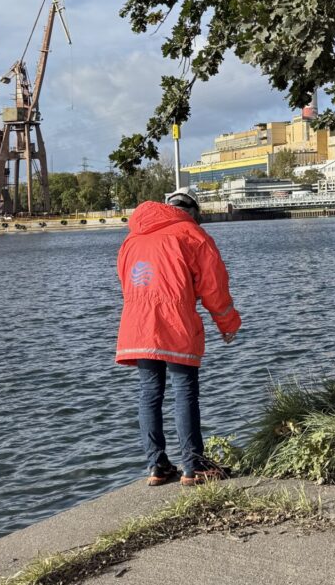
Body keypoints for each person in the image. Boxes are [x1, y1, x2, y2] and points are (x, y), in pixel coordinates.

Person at [115, 187, 242, 487]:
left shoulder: (132, 238)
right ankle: (194, 465)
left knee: (149, 393)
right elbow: (214, 287)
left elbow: (125, 281)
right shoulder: (193, 235)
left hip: (137, 323)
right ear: (195, 212)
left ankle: (156, 467)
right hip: (175, 322)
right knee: (184, 391)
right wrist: (228, 323)